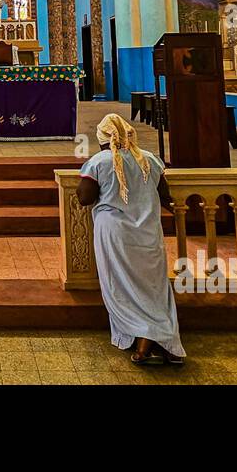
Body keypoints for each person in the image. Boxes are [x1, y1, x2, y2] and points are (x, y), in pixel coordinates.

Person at [77, 113, 186, 366]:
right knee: (154, 287)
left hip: (115, 234)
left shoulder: (98, 162)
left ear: (102, 138)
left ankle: (145, 339)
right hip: (147, 233)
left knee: (122, 286)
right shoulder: (150, 160)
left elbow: (84, 197)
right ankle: (167, 341)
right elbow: (165, 195)